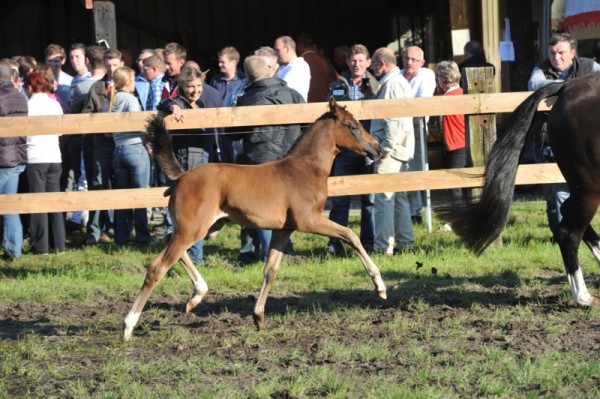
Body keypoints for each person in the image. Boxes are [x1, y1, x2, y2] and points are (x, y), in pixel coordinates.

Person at [227, 55, 305, 265]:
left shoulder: (247, 99)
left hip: (259, 160)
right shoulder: (293, 94)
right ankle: (286, 253)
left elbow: (232, 134)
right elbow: (308, 127)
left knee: (260, 208)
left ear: (247, 76)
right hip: (291, 159)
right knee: (287, 206)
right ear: (269, 71)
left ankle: (266, 256)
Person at [528, 32, 600, 238]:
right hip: (547, 139)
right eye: (552, 53)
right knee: (555, 193)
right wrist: (569, 87)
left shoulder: (588, 66)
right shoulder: (541, 69)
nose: (556, 58)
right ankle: (559, 235)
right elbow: (534, 85)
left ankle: (571, 234)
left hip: (581, 141)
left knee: (577, 192)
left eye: (561, 53)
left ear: (573, 53)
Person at [326, 44, 379, 256]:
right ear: (348, 62)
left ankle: (369, 243)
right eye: (353, 60)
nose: (356, 65)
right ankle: (336, 244)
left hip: (368, 149)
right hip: (345, 150)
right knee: (340, 198)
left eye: (360, 60)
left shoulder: (378, 85)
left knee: (370, 200)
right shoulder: (337, 85)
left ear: (368, 63)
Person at [157, 66, 210, 265]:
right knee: (183, 215)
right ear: (182, 86)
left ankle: (196, 258)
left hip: (201, 164)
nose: (195, 90)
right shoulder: (179, 103)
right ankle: (175, 258)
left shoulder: (201, 104)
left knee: (200, 213)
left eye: (198, 86)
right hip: (184, 164)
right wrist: (175, 108)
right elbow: (164, 102)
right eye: (190, 87)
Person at [369, 47, 415, 256]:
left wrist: (385, 148)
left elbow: (394, 120)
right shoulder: (396, 81)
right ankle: (405, 243)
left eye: (373, 65)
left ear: (382, 64)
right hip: (399, 148)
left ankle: (382, 247)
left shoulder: (392, 83)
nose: (372, 69)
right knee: (398, 199)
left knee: (384, 199)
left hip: (391, 150)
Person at [80, 48, 124, 245]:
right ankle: (95, 230)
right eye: (108, 65)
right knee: (98, 183)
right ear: (103, 66)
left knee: (123, 184)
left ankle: (123, 229)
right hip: (102, 143)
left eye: (115, 65)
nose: (112, 68)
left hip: (122, 142)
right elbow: (86, 114)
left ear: (121, 64)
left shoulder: (127, 85)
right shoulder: (97, 87)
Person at [105, 66, 152, 246]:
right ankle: (142, 237)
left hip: (118, 149)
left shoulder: (111, 99)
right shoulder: (130, 100)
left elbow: (105, 128)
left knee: (122, 197)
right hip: (135, 148)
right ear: (128, 82)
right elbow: (138, 124)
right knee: (140, 195)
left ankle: (121, 237)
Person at [23, 71, 66, 254]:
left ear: (30, 87)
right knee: (54, 200)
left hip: (35, 157)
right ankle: (59, 244)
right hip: (54, 155)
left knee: (38, 202)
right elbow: (62, 130)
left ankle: (40, 245)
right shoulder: (54, 104)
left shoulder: (27, 106)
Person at [400, 45, 436, 225]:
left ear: (422, 62)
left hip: (416, 126)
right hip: (398, 127)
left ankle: (415, 211)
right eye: (407, 58)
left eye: (414, 60)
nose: (409, 63)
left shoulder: (426, 75)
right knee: (402, 168)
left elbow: (422, 100)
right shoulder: (397, 75)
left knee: (415, 168)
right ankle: (407, 210)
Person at [0, 61, 28, 260]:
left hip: (2, 158)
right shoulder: (20, 96)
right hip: (17, 157)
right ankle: (14, 250)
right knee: (10, 206)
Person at [436, 61, 466, 212]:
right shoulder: (462, 93)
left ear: (441, 79)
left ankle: (458, 215)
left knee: (455, 183)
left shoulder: (447, 98)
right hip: (463, 142)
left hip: (456, 144)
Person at [296, 33, 334, 102]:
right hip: (323, 104)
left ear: (299, 45)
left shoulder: (299, 63)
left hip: (308, 106)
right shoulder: (323, 62)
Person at [274, 35, 311, 102]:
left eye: (277, 50)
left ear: (287, 49)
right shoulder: (280, 67)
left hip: (295, 109)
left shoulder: (300, 66)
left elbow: (283, 90)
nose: (275, 54)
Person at [44, 44, 72, 113]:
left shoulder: (70, 81)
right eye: (50, 61)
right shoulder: (41, 80)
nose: (52, 64)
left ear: (63, 61)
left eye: (56, 61)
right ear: (45, 60)